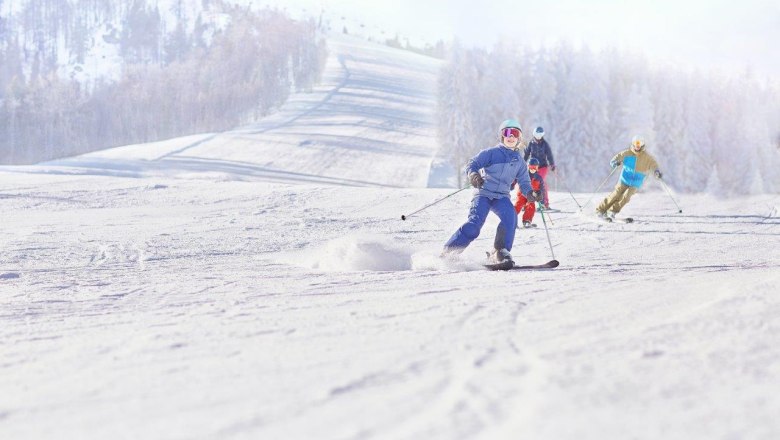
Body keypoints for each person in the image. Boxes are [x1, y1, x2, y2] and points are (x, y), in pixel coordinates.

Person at [442, 119, 538, 264]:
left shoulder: (519, 161)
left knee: (511, 218)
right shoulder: (492, 153)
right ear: (502, 136)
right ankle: (449, 252)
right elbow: (472, 164)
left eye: (515, 133)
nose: (511, 136)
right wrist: (473, 175)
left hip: (501, 197)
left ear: (519, 138)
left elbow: (524, 182)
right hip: (484, 194)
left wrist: (530, 193)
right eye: (507, 133)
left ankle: (500, 251)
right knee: (475, 224)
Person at [596, 135, 663, 219]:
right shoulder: (627, 153)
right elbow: (615, 159)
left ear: (642, 144)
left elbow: (654, 165)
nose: (637, 146)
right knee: (616, 194)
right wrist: (615, 162)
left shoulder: (647, 157)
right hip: (624, 179)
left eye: (639, 143)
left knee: (626, 197)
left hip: (636, 182)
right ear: (633, 144)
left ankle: (612, 211)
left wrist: (656, 172)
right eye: (635, 143)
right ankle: (601, 209)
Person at [523, 126, 556, 209]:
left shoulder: (545, 144)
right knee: (529, 182)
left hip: (542, 166)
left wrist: (552, 164)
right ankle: (527, 203)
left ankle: (544, 203)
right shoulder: (531, 143)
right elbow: (527, 153)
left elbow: (549, 155)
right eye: (536, 135)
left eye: (540, 135)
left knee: (541, 182)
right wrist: (523, 162)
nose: (538, 138)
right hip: (533, 166)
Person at [514, 158, 546, 227]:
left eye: (534, 167)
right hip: (522, 194)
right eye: (531, 167)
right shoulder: (524, 174)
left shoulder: (538, 178)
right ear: (528, 167)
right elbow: (516, 179)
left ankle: (527, 221)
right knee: (518, 205)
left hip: (532, 196)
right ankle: (511, 220)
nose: (532, 169)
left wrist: (542, 199)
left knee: (531, 206)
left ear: (537, 168)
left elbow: (542, 189)